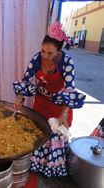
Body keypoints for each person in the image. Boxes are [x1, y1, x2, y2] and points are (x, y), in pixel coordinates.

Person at [13, 21, 86, 177]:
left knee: (54, 138)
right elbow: (25, 79)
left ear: (59, 51)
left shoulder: (67, 63)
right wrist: (20, 97)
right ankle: (36, 164)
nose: (45, 56)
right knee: (39, 133)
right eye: (43, 51)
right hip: (41, 103)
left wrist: (64, 114)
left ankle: (52, 168)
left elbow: (70, 90)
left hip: (59, 109)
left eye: (50, 53)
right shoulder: (37, 59)